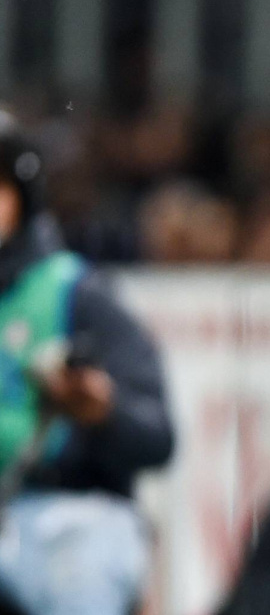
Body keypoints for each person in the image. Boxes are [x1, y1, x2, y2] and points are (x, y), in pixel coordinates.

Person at [0, 113, 174, 615]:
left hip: (68, 511)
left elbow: (158, 437)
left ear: (20, 198)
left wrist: (103, 411)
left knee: (80, 579)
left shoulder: (76, 293)